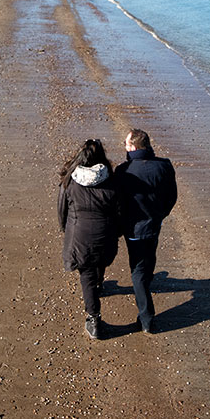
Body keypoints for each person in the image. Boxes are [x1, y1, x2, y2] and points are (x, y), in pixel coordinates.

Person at [58, 138, 122, 340]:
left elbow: (62, 212)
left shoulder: (69, 182)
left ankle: (94, 319)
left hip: (79, 237)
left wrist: (67, 231)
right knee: (99, 263)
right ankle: (100, 283)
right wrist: (116, 232)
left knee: (86, 276)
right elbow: (119, 212)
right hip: (105, 235)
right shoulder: (112, 181)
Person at [115, 128, 177, 334]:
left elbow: (119, 203)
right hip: (154, 224)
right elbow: (171, 197)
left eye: (125, 143)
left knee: (138, 272)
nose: (124, 146)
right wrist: (160, 215)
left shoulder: (123, 171)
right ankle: (146, 310)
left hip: (134, 229)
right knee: (148, 262)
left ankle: (147, 318)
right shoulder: (164, 166)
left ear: (133, 146)